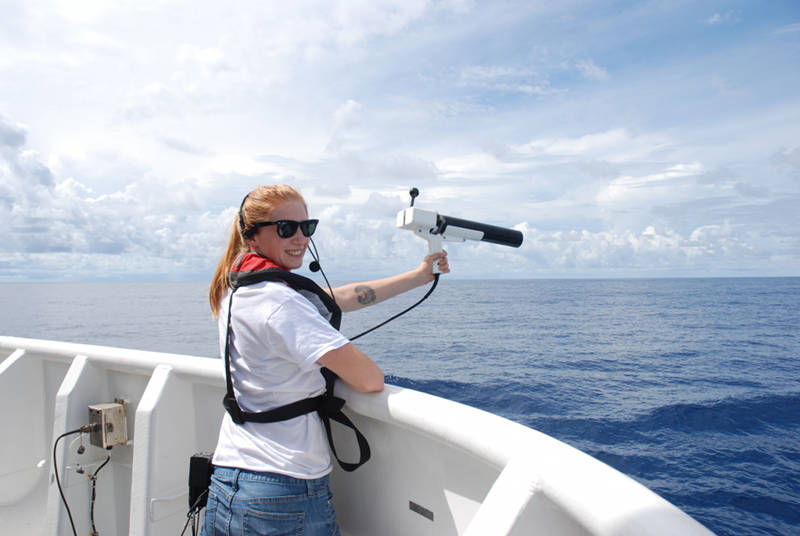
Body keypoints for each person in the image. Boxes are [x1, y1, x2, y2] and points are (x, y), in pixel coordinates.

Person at [203, 184, 448, 536]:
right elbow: (369, 379)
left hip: (230, 480)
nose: (300, 237)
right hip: (282, 491)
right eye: (286, 228)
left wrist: (418, 276)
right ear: (253, 236)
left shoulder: (239, 286)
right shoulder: (281, 303)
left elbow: (338, 297)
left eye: (308, 226)